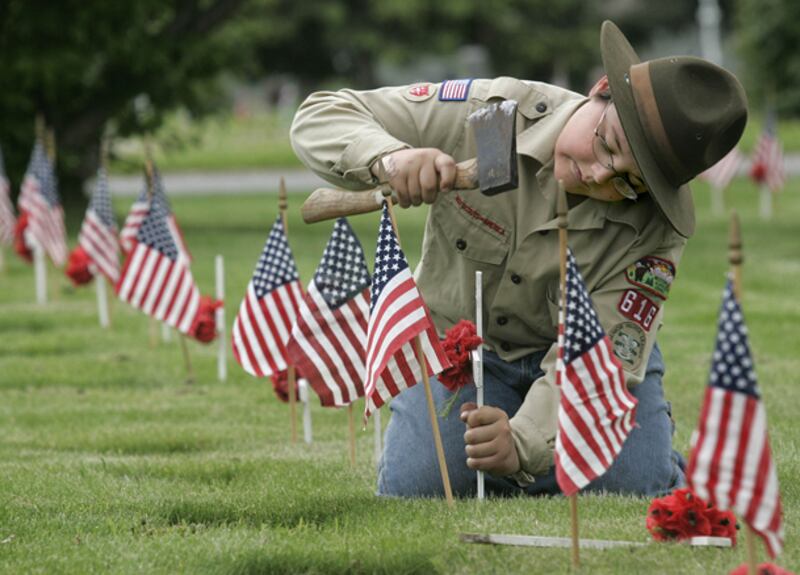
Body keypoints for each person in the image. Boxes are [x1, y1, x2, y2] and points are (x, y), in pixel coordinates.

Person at [290, 20, 748, 497]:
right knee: (420, 486)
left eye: (629, 183)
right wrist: (389, 158)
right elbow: (320, 114)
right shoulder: (493, 118)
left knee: (631, 484)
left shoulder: (656, 229)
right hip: (460, 351)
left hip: (582, 361)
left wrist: (523, 444)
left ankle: (557, 463)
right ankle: (520, 470)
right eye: (606, 144)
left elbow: (604, 355)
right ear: (601, 90)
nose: (597, 174)